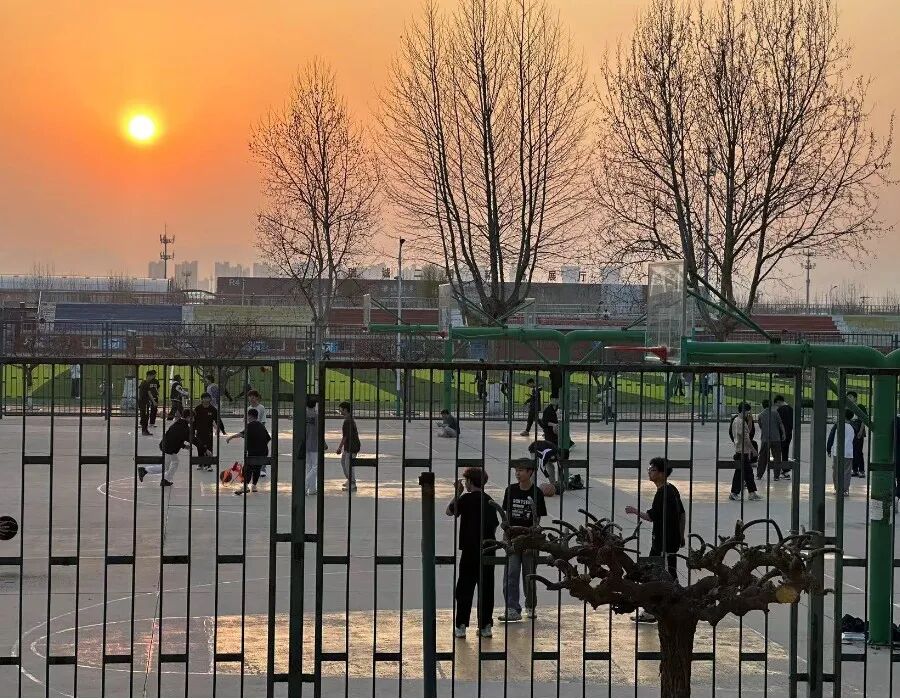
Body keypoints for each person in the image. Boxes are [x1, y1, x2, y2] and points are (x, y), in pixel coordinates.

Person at [625, 457, 686, 623]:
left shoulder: (662, 493)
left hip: (662, 541)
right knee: (670, 572)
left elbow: (651, 517)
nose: (649, 472)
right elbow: (682, 514)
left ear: (661, 473)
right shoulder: (672, 489)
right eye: (649, 469)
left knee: (655, 575)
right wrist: (681, 536)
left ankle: (653, 611)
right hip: (671, 540)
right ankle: (673, 606)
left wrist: (634, 511)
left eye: (652, 470)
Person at [446, 466, 499, 639]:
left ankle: (461, 625)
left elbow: (449, 511)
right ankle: (485, 626)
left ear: (469, 481)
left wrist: (458, 493)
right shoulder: (489, 500)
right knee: (486, 588)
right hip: (488, 550)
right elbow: (495, 524)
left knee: (465, 588)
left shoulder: (465, 499)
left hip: (469, 550)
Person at [499, 458, 547, 623]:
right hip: (513, 538)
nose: (517, 474)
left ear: (530, 472)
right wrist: (506, 534)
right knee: (511, 574)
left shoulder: (537, 493)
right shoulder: (511, 490)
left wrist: (532, 537)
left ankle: (530, 605)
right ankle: (512, 608)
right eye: (516, 470)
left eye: (521, 470)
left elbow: (537, 519)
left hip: (529, 539)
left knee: (529, 575)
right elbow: (507, 514)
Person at [137, 408, 192, 487]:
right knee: (166, 467)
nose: (193, 419)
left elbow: (176, 439)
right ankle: (145, 470)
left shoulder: (179, 423)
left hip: (168, 446)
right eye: (192, 417)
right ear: (188, 417)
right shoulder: (182, 425)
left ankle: (165, 479)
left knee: (174, 462)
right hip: (169, 448)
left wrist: (184, 446)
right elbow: (179, 438)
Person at [226, 408, 271, 494]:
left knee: (247, 468)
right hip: (263, 451)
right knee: (257, 468)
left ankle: (245, 486)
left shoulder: (250, 425)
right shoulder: (261, 425)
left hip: (253, 451)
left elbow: (241, 434)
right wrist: (262, 446)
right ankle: (254, 486)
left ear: (250, 416)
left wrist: (230, 437)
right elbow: (268, 438)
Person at [729, 402, 761, 501]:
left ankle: (751, 492)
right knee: (742, 473)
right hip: (742, 451)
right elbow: (746, 438)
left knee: (746, 473)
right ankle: (736, 493)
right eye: (748, 412)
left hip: (740, 450)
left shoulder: (736, 420)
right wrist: (753, 450)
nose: (748, 414)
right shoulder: (741, 422)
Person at [827, 409, 856, 497]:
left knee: (836, 470)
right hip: (848, 452)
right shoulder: (853, 426)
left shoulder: (837, 425)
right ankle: (845, 490)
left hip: (837, 452)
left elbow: (831, 437)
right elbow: (855, 440)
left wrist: (828, 448)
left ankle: (837, 488)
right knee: (847, 471)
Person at [756, 399, 786, 480]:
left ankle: (759, 475)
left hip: (765, 439)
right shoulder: (775, 413)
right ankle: (776, 476)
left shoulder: (760, 415)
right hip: (776, 438)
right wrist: (783, 434)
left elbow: (761, 426)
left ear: (762, 405)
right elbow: (780, 424)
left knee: (763, 457)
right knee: (777, 457)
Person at [193, 393, 225, 465]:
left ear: (210, 399)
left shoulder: (213, 409)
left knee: (209, 447)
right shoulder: (197, 409)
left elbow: (218, 420)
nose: (206, 400)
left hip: (208, 432)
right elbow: (194, 420)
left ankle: (208, 465)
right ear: (202, 399)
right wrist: (193, 430)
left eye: (207, 398)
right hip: (199, 431)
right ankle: (200, 463)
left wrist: (222, 429)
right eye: (204, 398)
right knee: (200, 446)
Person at [336, 401, 360, 492]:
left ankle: (352, 483)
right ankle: (350, 479)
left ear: (345, 409)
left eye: (341, 409)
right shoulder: (348, 419)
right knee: (343, 462)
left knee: (348, 465)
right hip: (349, 446)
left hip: (352, 446)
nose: (340, 411)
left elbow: (345, 436)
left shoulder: (348, 421)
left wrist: (339, 447)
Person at [246, 390, 268, 476]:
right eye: (250, 397)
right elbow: (247, 421)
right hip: (251, 432)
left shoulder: (261, 408)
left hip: (260, 431)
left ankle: (263, 469)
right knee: (251, 450)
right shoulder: (248, 408)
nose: (251, 399)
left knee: (262, 450)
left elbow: (263, 421)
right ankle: (252, 468)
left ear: (257, 397)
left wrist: (260, 431)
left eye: (253, 397)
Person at [303, 395, 321, 496]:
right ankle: (305, 484)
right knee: (315, 466)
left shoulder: (304, 415)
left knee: (309, 466)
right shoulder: (317, 416)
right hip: (315, 443)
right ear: (315, 405)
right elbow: (319, 431)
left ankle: (311, 489)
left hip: (305, 442)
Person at [774, 395, 794, 474]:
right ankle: (785, 468)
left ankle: (781, 469)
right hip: (789, 433)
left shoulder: (780, 410)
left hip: (781, 434)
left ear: (778, 401)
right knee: (785, 451)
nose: (777, 406)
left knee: (778, 452)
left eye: (777, 404)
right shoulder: (791, 409)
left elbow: (778, 423)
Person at [138, 369, 159, 436]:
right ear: (149, 376)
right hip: (144, 403)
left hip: (142, 402)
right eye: (152, 376)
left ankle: (145, 430)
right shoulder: (146, 383)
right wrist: (154, 402)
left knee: (144, 416)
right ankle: (144, 431)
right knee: (145, 416)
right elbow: (149, 393)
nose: (153, 377)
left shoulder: (143, 382)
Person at [851, 404, 867, 477]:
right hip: (852, 431)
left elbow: (864, 420)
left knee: (858, 451)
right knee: (853, 451)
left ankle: (861, 470)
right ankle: (855, 469)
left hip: (858, 431)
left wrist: (861, 431)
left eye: (851, 397)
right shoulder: (849, 407)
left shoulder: (860, 407)